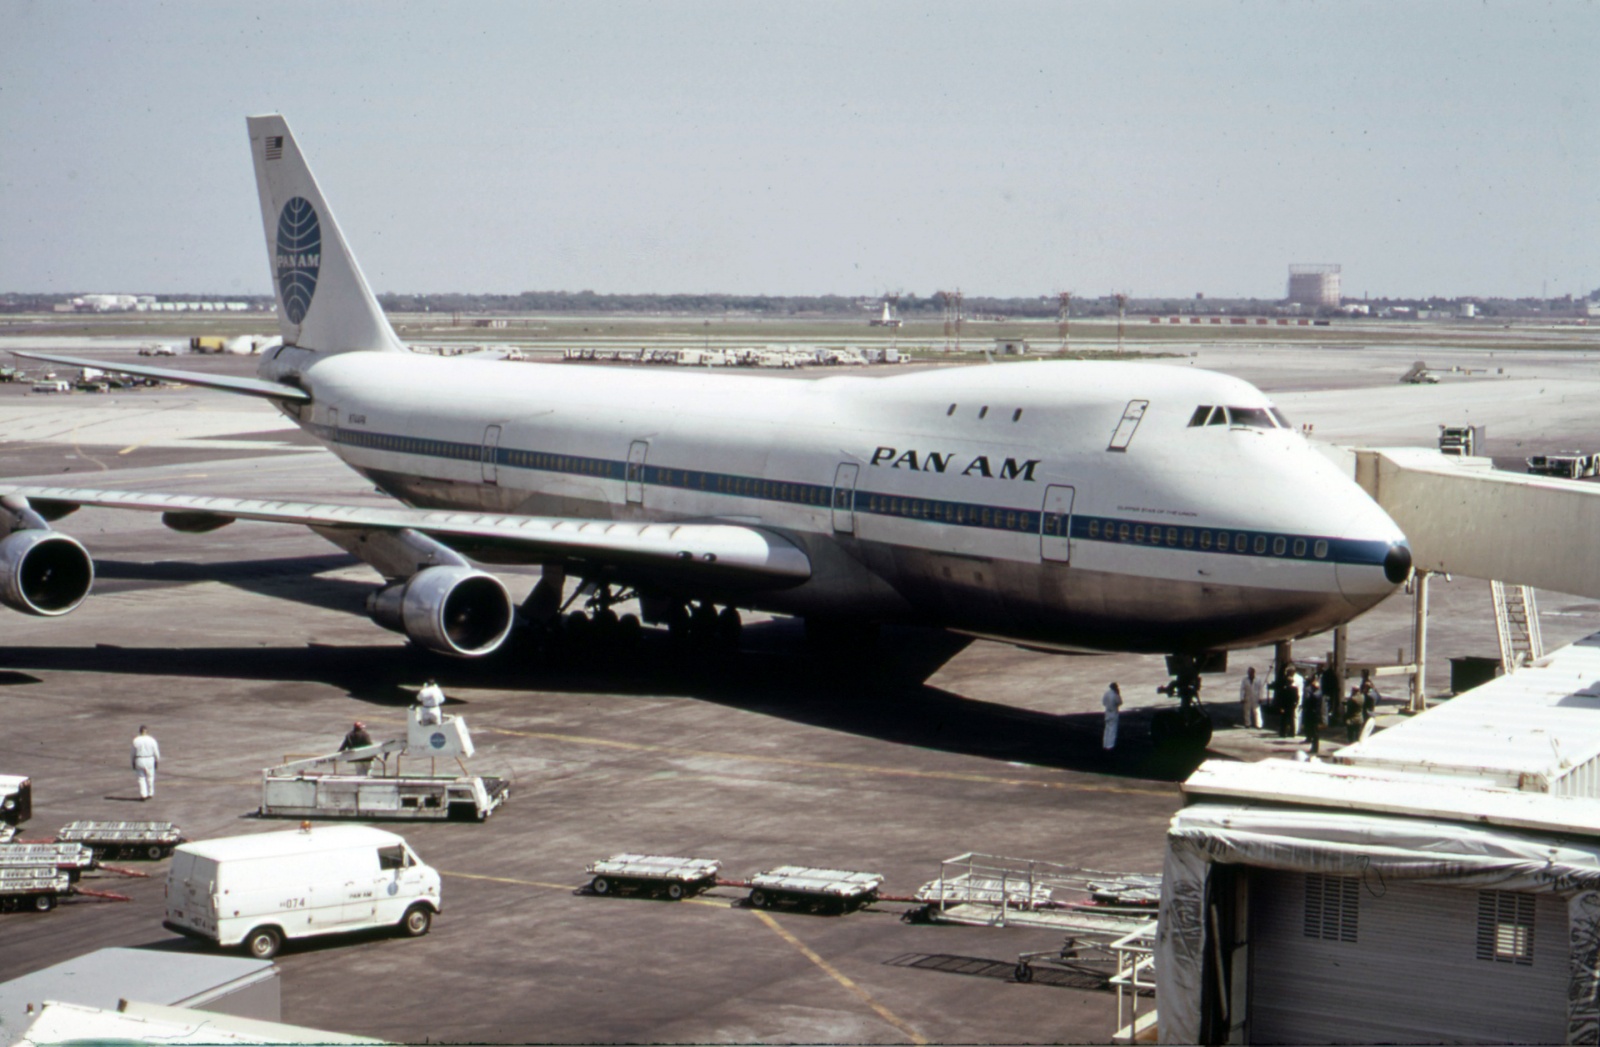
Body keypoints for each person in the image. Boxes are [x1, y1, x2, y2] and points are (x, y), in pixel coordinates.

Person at [130, 725, 160, 801]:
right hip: (150, 759)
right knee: (150, 777)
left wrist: (132, 761)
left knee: (141, 778)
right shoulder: (152, 740)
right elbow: (156, 752)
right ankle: (150, 793)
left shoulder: (136, 740)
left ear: (140, 731)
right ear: (147, 731)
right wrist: (157, 760)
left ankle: (143, 794)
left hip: (139, 759)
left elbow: (132, 753)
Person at [1302, 679, 1323, 754]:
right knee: (1315, 732)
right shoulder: (1319, 693)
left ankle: (1314, 748)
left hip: (1313, 715)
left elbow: (1308, 701)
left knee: (1314, 732)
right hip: (1316, 714)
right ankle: (1314, 747)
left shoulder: (1314, 695)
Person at [1102, 682, 1123, 751]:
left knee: (1107, 729)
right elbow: (1120, 702)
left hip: (1107, 712)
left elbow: (1103, 702)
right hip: (1113, 712)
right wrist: (1118, 694)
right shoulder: (1115, 695)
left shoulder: (1106, 693)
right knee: (1112, 730)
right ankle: (1110, 745)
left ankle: (1105, 744)